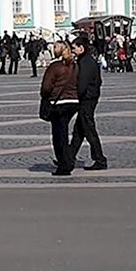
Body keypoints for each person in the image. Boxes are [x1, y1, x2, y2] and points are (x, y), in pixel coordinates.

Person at [40, 41, 80, 176]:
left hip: (58, 103)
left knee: (59, 136)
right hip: (73, 102)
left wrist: (46, 96)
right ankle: (67, 160)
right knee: (64, 132)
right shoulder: (74, 65)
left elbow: (46, 87)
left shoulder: (55, 67)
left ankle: (64, 165)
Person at [69, 36, 107, 171]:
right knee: (78, 130)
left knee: (89, 130)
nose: (72, 51)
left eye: (74, 48)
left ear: (81, 48)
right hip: (89, 97)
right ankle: (68, 157)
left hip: (87, 99)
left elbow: (82, 84)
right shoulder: (87, 60)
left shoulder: (85, 62)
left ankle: (100, 159)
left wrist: (76, 97)